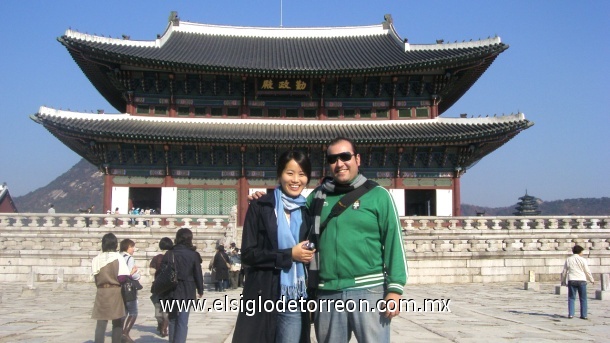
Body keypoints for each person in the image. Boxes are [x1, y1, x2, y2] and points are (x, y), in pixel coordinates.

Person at [307, 137, 407, 343]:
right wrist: (265, 201)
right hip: (327, 292)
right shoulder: (317, 197)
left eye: (345, 156)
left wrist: (395, 289)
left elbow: (394, 242)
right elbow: (290, 211)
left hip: (369, 290)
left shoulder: (379, 196)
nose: (339, 163)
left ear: (357, 159)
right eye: (333, 159)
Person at [233, 150, 314, 343]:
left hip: (294, 297)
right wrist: (289, 255)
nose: (296, 180)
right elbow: (248, 254)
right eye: (290, 173)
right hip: (263, 293)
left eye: (302, 174)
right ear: (279, 174)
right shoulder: (261, 207)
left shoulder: (307, 212)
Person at [159, 228, 204, 343]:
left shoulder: (170, 253)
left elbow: (162, 272)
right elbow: (197, 273)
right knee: (183, 320)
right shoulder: (193, 254)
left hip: (171, 289)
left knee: (172, 318)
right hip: (187, 289)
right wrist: (200, 289)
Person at [91, 233, 130, 343]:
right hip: (115, 291)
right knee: (117, 322)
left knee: (101, 323)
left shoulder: (96, 259)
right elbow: (122, 277)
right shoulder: (118, 258)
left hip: (101, 291)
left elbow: (95, 276)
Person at [561, 244, 595, 319]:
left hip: (572, 279)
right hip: (581, 279)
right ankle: (584, 315)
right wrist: (591, 279)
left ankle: (571, 314)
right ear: (580, 252)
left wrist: (563, 281)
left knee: (571, 298)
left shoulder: (568, 259)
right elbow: (587, 271)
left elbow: (564, 271)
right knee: (583, 298)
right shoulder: (582, 260)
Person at [149, 237, 174, 337]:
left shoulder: (157, 258)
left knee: (158, 310)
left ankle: (163, 326)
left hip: (159, 287)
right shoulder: (173, 256)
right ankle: (163, 326)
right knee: (166, 310)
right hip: (169, 287)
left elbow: (152, 271)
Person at [119, 239, 141, 343]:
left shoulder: (118, 257)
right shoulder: (129, 258)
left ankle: (120, 332)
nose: (133, 249)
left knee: (124, 311)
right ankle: (125, 333)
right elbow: (129, 274)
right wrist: (136, 273)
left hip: (120, 287)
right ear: (127, 247)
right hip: (129, 287)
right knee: (133, 312)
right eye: (132, 247)